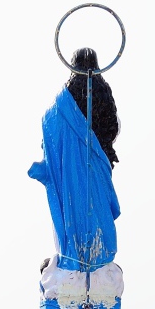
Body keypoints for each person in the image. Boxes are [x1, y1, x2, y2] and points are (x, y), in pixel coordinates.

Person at [28, 45, 120, 274]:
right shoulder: (102, 92)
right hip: (97, 161)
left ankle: (79, 255)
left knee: (76, 205)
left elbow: (51, 125)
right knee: (95, 207)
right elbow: (112, 127)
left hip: (75, 166)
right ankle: (92, 256)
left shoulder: (63, 101)